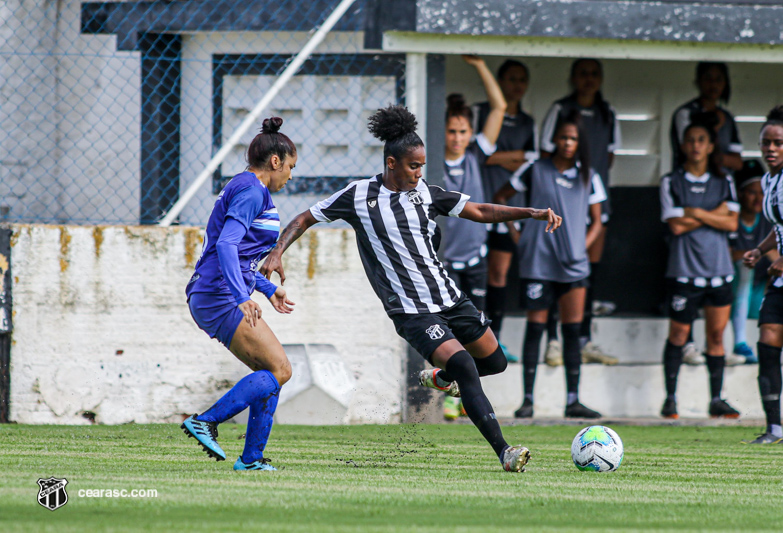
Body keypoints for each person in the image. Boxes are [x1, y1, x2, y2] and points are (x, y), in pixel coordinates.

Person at [261, 104, 561, 472]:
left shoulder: (427, 195)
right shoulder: (359, 196)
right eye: (413, 166)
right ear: (391, 163)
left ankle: (441, 378)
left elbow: (480, 211)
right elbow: (306, 217)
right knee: (465, 364)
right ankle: (505, 451)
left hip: (449, 297)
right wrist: (277, 251)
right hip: (412, 311)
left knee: (494, 362)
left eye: (422, 166)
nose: (419, 174)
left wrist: (530, 213)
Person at [182, 117, 297, 471]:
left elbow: (239, 256)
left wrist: (266, 289)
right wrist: (241, 296)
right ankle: (206, 421)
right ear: (275, 162)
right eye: (290, 167)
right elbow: (228, 246)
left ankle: (251, 459)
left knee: (271, 371)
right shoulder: (251, 190)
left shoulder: (245, 186)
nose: (290, 176)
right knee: (280, 369)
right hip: (219, 294)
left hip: (212, 292)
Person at [495, 111, 606, 419]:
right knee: (536, 328)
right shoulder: (535, 169)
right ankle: (527, 401)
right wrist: (520, 237)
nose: (568, 143)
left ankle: (573, 401)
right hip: (538, 262)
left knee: (572, 331)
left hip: (573, 264)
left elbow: (598, 221)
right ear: (554, 140)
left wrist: (580, 247)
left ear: (579, 142)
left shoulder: (588, 174)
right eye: (563, 137)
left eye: (573, 138)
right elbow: (502, 196)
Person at [659, 113, 743, 421]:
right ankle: (670, 400)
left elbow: (732, 221)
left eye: (702, 140)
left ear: (710, 146)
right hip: (683, 271)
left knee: (717, 337)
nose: (696, 145)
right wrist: (711, 213)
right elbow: (676, 226)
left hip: (720, 271)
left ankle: (716, 399)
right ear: (682, 145)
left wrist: (692, 212)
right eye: (691, 140)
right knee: (679, 336)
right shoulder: (671, 181)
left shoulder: (725, 181)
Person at [539, 58, 620, 365]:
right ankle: (553, 341)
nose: (588, 79)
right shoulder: (560, 110)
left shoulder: (607, 112)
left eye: (594, 74)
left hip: (594, 206)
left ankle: (585, 340)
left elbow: (608, 158)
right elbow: (546, 156)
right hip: (559, 210)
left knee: (587, 276)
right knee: (551, 276)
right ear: (573, 77)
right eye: (583, 73)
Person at [440, 55, 507, 419]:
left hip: (475, 257)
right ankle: (453, 397)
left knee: (479, 333)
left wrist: (480, 65)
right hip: (445, 262)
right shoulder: (429, 160)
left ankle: (461, 394)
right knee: (449, 334)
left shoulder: (477, 154)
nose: (458, 137)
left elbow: (500, 106)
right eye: (451, 131)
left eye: (463, 131)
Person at [476, 59, 537, 361]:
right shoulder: (482, 114)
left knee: (499, 274)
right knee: (476, 274)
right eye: (511, 79)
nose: (516, 84)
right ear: (500, 82)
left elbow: (532, 162)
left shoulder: (527, 122)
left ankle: (494, 339)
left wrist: (506, 158)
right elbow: (481, 157)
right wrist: (515, 156)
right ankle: (473, 336)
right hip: (475, 207)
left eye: (521, 79)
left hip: (506, 210)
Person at [742, 105, 783, 444]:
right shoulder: (770, 179)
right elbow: (780, 227)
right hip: (781, 280)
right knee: (768, 340)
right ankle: (774, 428)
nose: (771, 149)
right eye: (766, 143)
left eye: (778, 143)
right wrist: (761, 249)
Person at [729, 160, 774, 364]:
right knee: (746, 265)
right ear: (740, 193)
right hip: (728, 293)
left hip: (756, 297)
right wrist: (755, 253)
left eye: (761, 192)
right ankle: (740, 343)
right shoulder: (730, 218)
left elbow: (775, 256)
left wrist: (764, 254)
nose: (758, 198)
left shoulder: (768, 220)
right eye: (751, 192)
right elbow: (724, 255)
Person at [670, 62, 743, 174]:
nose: (713, 84)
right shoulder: (685, 113)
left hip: (720, 184)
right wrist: (716, 128)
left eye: (718, 79)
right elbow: (691, 154)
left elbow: (738, 163)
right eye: (708, 79)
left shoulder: (727, 117)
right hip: (688, 182)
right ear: (698, 81)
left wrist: (720, 159)